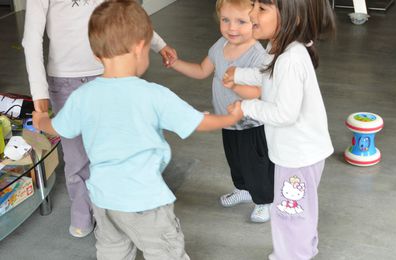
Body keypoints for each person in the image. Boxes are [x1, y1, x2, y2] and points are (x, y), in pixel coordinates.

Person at [32, 1, 243, 259]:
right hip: (146, 204)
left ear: (97, 55)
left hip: (103, 201)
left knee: (113, 251)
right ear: (141, 48)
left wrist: (41, 118)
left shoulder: (82, 97)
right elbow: (197, 122)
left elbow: (57, 127)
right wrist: (228, 119)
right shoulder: (153, 95)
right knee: (164, 252)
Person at [22, 0, 177, 238]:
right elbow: (31, 39)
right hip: (64, 82)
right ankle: (83, 213)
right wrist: (39, 94)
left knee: (115, 149)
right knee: (76, 157)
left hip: (109, 74)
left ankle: (118, 213)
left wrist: (158, 44)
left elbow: (126, 15)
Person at [223, 0, 336, 258]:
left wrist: (246, 107)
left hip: (298, 156)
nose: (251, 13)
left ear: (291, 18)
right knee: (297, 210)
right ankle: (303, 249)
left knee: (289, 214)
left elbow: (284, 114)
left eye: (261, 9)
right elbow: (267, 76)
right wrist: (239, 74)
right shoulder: (280, 47)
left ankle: (292, 255)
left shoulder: (290, 59)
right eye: (253, 5)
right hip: (296, 152)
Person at [170, 0, 274, 223]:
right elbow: (201, 70)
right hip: (227, 120)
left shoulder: (258, 54)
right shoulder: (220, 46)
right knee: (235, 160)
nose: (231, 28)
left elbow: (259, 92)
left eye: (241, 21)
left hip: (250, 123)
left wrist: (235, 84)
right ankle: (243, 189)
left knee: (255, 163)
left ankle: (265, 200)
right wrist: (176, 63)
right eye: (226, 20)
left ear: (255, 21)